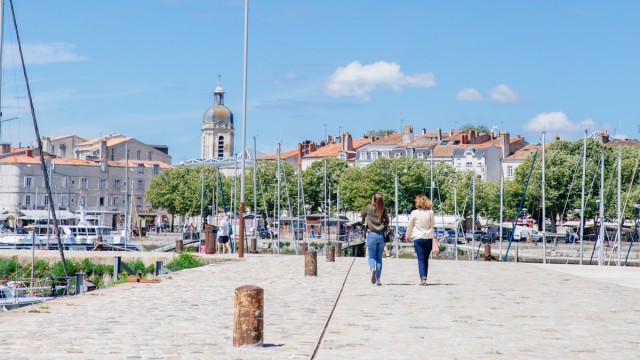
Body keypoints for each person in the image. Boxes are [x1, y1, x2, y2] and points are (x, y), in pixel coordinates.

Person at [361, 192, 390, 286]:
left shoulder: (368, 207)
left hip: (371, 234)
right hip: (381, 235)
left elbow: (362, 215)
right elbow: (387, 220)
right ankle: (377, 279)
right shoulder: (383, 209)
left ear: (373, 199)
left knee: (372, 256)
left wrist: (366, 220)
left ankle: (372, 269)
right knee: (379, 258)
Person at [406, 195, 435, 286]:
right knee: (426, 259)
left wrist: (408, 235)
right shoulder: (431, 213)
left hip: (418, 237)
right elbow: (432, 225)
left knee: (421, 259)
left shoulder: (414, 213)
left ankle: (423, 277)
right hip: (428, 237)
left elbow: (410, 225)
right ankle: (425, 276)